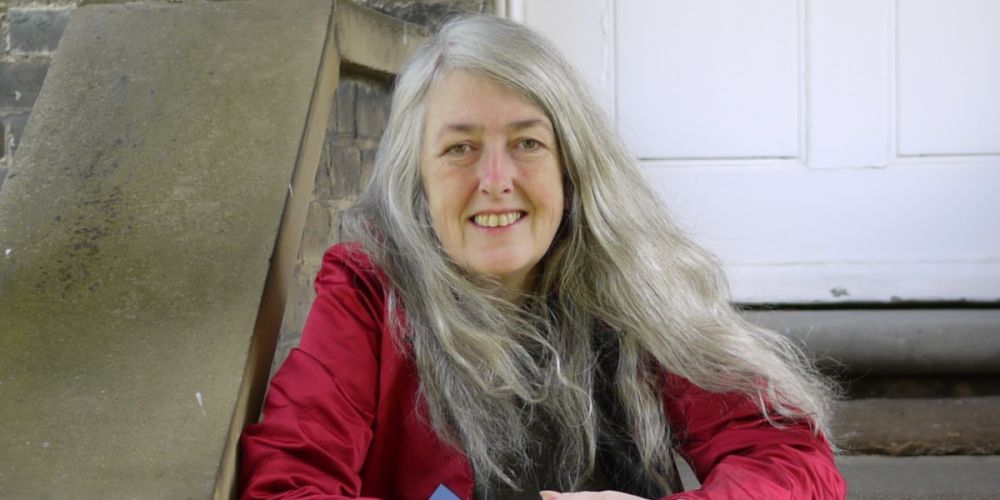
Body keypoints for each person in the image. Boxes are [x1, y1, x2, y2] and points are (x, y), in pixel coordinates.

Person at [240, 14, 846, 500]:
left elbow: (790, 461)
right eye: (460, 148)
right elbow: (289, 482)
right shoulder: (370, 291)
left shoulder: (629, 280)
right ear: (415, 177)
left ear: (571, 165)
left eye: (527, 142)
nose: (496, 178)